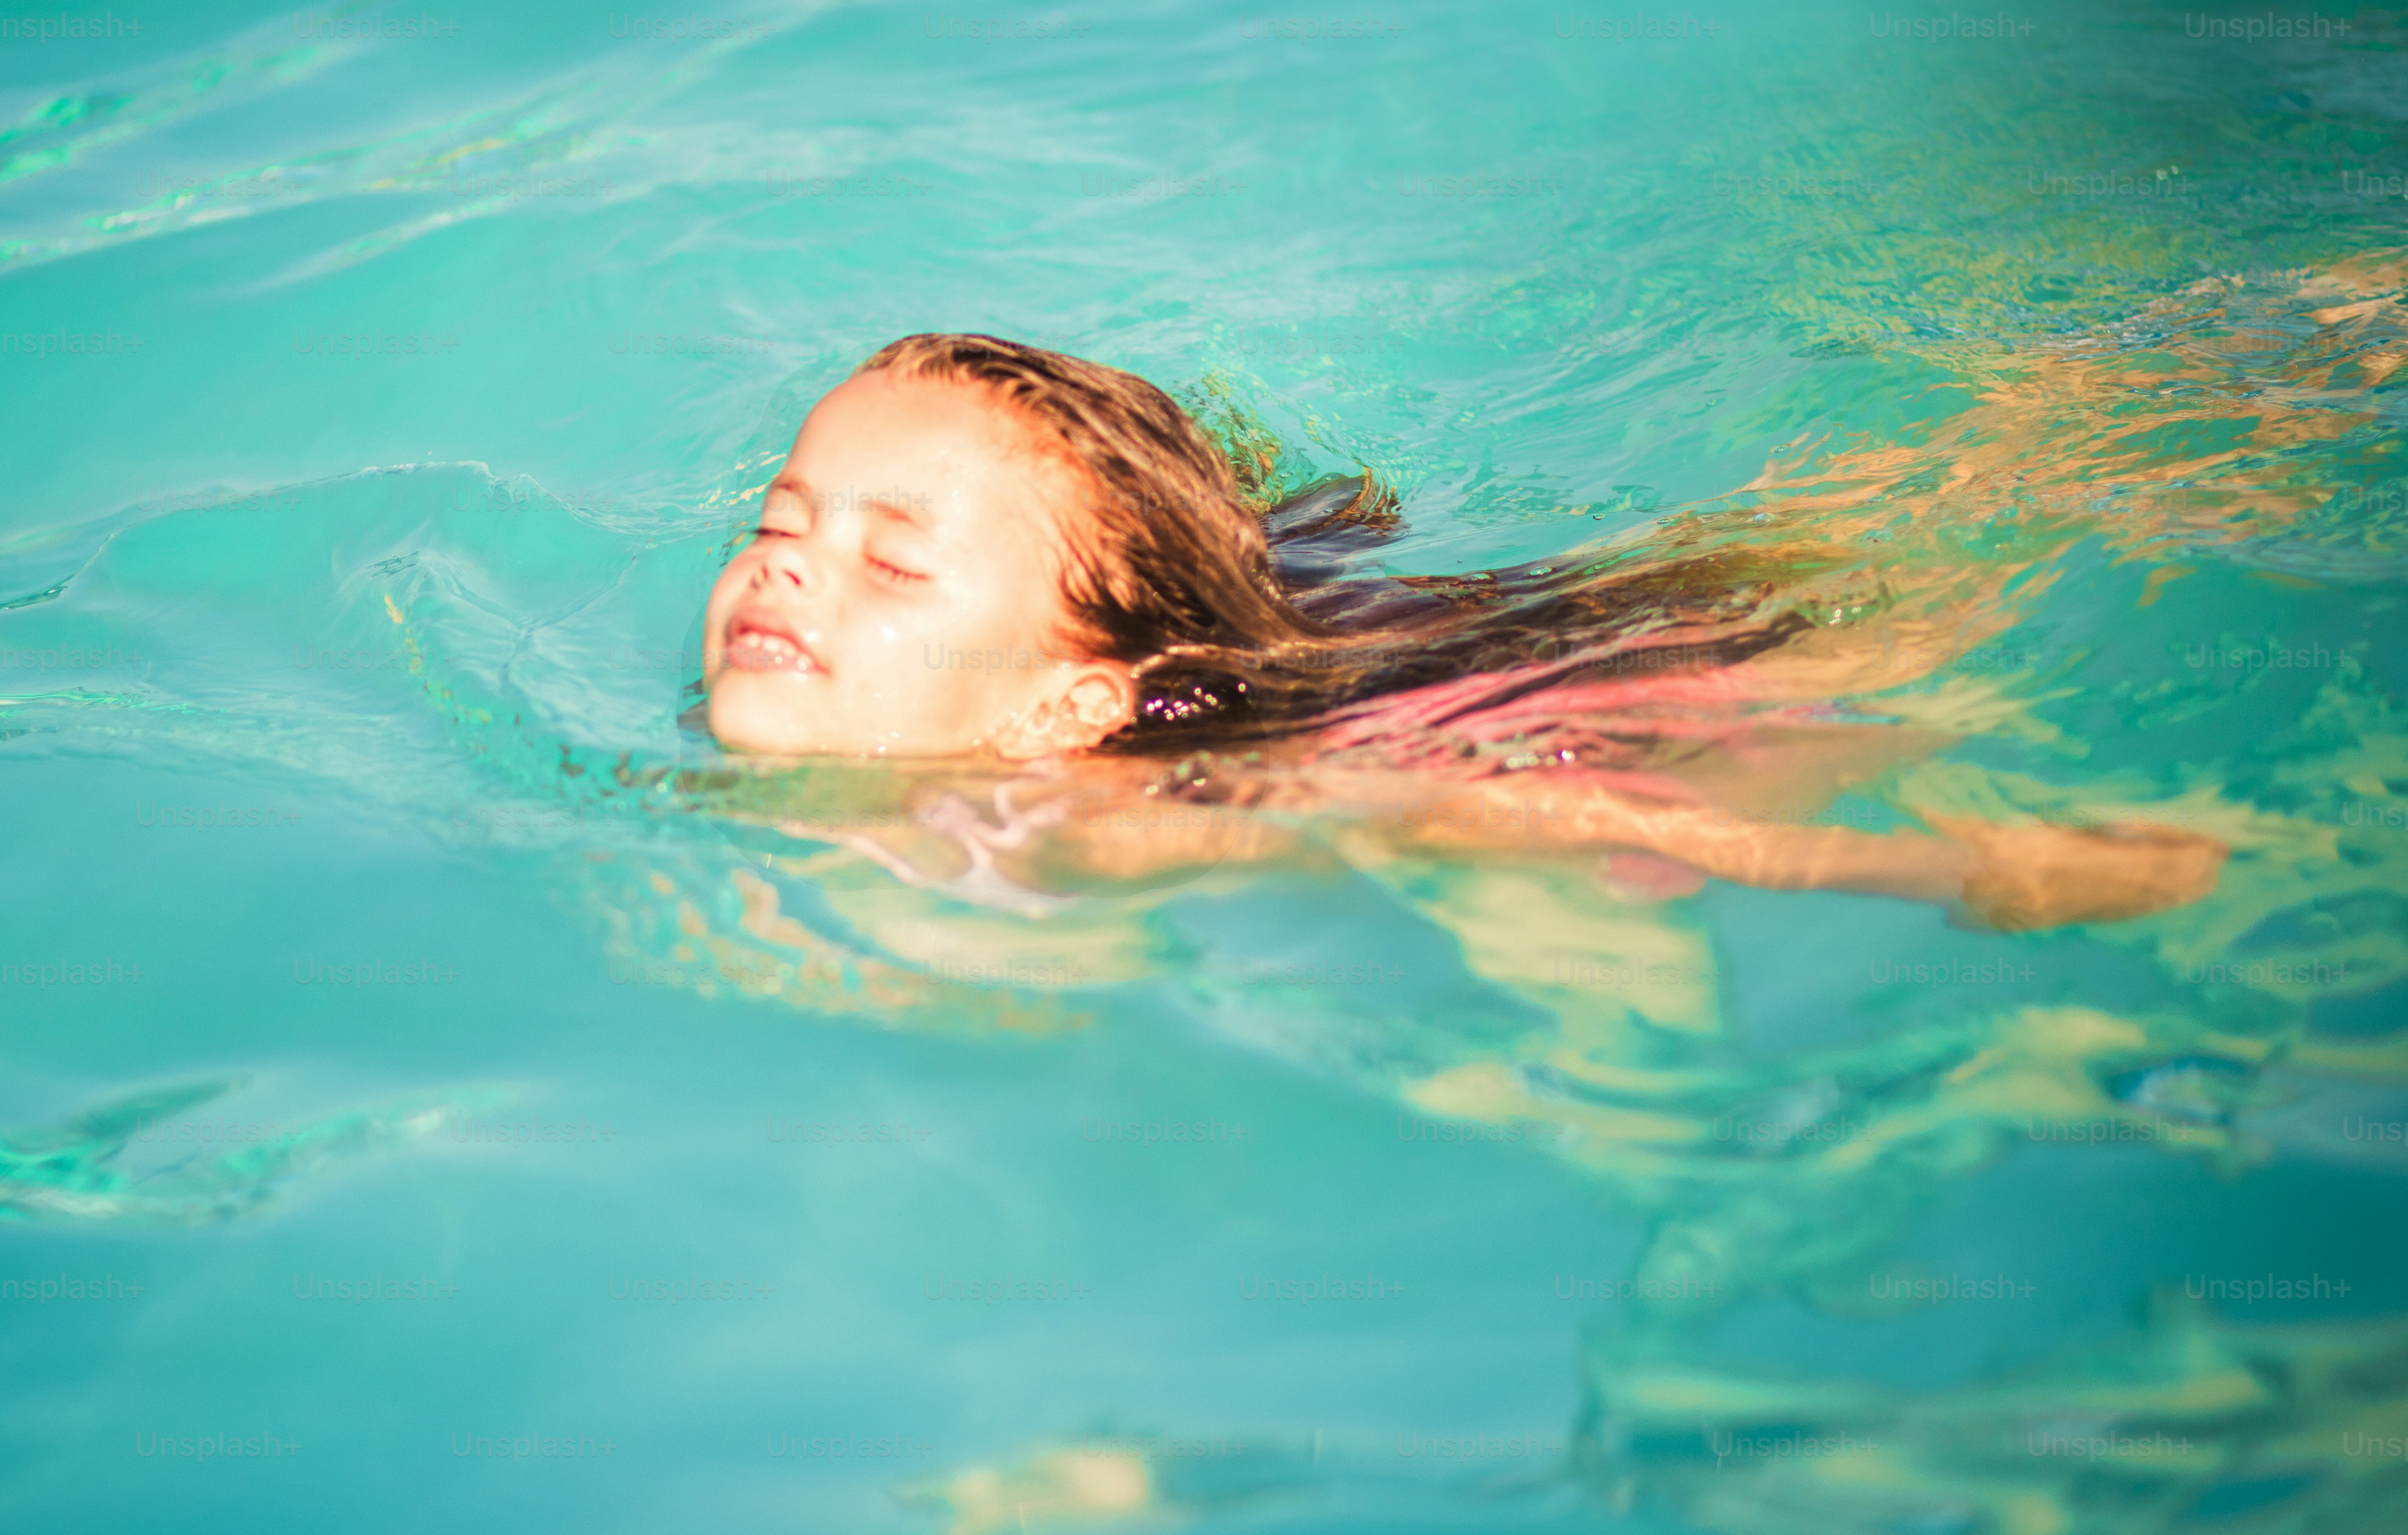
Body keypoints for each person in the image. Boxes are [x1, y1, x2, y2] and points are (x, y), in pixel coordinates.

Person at [695, 330, 2237, 931]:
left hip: (1604, 681)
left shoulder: (1138, 819)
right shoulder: (926, 760)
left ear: (1067, 711)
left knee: (1961, 534)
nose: (787, 572)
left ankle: (2236, 368)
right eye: (779, 525)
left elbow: (1508, 802)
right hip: (1362, 645)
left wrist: (1947, 869)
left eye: (892, 568)